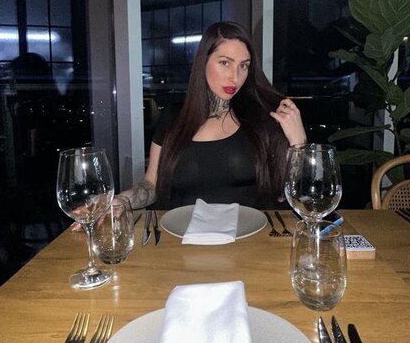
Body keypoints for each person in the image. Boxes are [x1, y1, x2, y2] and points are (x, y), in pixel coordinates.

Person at [121, 21, 306, 210]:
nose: (235, 77)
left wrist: (299, 143)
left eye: (243, 66)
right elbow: (151, 184)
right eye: (225, 63)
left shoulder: (262, 117)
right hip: (181, 228)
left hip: (249, 228)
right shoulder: (174, 117)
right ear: (204, 62)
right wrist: (121, 202)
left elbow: (286, 194)